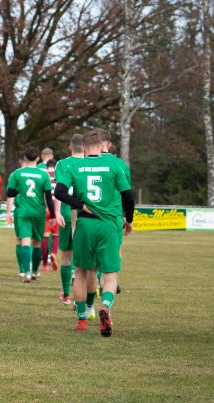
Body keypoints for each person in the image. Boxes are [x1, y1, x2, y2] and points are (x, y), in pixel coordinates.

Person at [54, 131, 134, 336]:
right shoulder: (114, 164)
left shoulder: (74, 165)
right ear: (101, 147)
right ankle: (105, 306)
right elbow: (128, 197)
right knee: (110, 275)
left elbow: (59, 192)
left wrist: (81, 204)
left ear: (82, 148)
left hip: (84, 224)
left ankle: (82, 319)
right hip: (108, 224)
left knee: (81, 273)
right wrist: (129, 220)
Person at [6, 147, 55, 283]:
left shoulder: (17, 174)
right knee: (37, 243)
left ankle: (26, 272)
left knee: (25, 241)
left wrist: (8, 212)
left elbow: (10, 194)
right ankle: (34, 271)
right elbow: (48, 197)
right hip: (39, 213)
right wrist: (52, 216)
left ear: (25, 158)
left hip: (22, 212)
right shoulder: (44, 174)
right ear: (38, 158)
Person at [53, 135, 87, 306]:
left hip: (67, 212)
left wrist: (57, 211)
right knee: (88, 259)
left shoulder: (62, 164)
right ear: (86, 147)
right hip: (87, 214)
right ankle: (86, 300)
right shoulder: (92, 162)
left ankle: (67, 295)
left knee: (67, 257)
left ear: (70, 147)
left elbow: (59, 189)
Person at [97, 128, 130, 296]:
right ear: (109, 145)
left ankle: (87, 300)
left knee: (90, 261)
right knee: (114, 252)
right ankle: (108, 288)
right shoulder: (121, 165)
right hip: (114, 216)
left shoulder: (85, 163)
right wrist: (127, 218)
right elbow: (127, 194)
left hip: (91, 216)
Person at [41, 159, 60, 271]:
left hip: (45, 207)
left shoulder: (43, 175)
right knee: (56, 236)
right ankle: (53, 253)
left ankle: (44, 265)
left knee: (45, 237)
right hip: (55, 207)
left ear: (46, 167)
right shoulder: (58, 175)